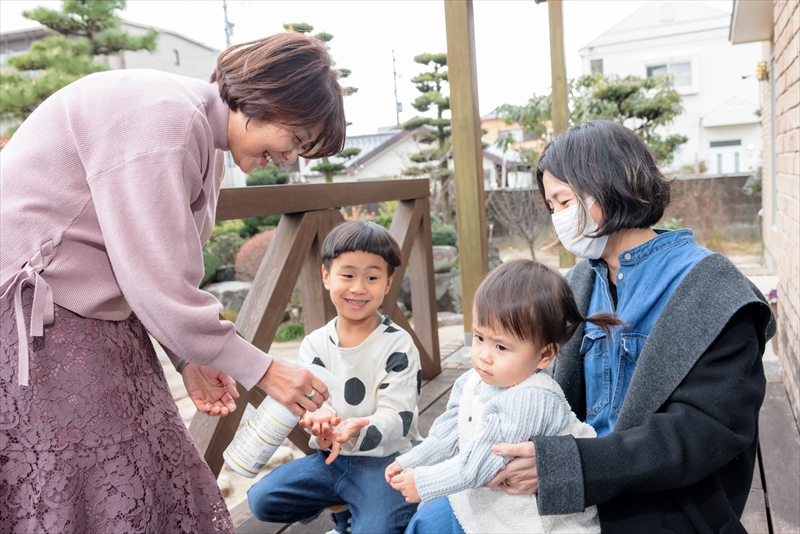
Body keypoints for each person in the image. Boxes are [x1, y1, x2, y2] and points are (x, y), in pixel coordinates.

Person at [0, 32, 344, 533]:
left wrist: (190, 355)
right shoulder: (166, 117)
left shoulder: (199, 133)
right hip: (35, 314)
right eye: (296, 139)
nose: (291, 157)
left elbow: (153, 266)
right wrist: (265, 370)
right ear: (266, 100)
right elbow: (158, 280)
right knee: (97, 478)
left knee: (148, 468)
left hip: (88, 312)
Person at [483, 120, 775, 532]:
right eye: (552, 208)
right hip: (572, 492)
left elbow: (706, 430)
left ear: (607, 184)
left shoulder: (713, 289)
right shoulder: (580, 283)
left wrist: (571, 465)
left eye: (564, 201)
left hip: (669, 507)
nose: (559, 219)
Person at [387, 260, 612, 534]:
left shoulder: (532, 399)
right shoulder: (470, 380)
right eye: (479, 337)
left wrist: (423, 482)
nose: (484, 355)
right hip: (483, 496)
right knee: (424, 524)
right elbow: (446, 435)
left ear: (544, 355)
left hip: (529, 516)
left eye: (501, 346)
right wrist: (410, 462)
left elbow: (479, 464)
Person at [247, 220, 422, 534]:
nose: (358, 288)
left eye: (371, 277)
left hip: (386, 462)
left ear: (387, 282)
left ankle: (361, 514)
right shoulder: (314, 343)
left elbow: (399, 416)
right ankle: (342, 506)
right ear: (327, 276)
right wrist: (321, 419)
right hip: (330, 460)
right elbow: (312, 404)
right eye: (347, 275)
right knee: (262, 500)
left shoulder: (398, 344)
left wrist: (353, 429)